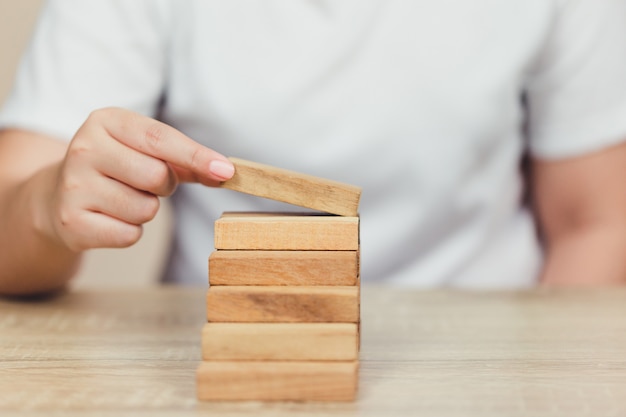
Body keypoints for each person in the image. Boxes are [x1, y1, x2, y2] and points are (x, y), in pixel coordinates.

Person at [1, 0, 625, 296]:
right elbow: (11, 215)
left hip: (485, 347)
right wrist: (43, 206)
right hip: (224, 347)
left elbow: (597, 225)